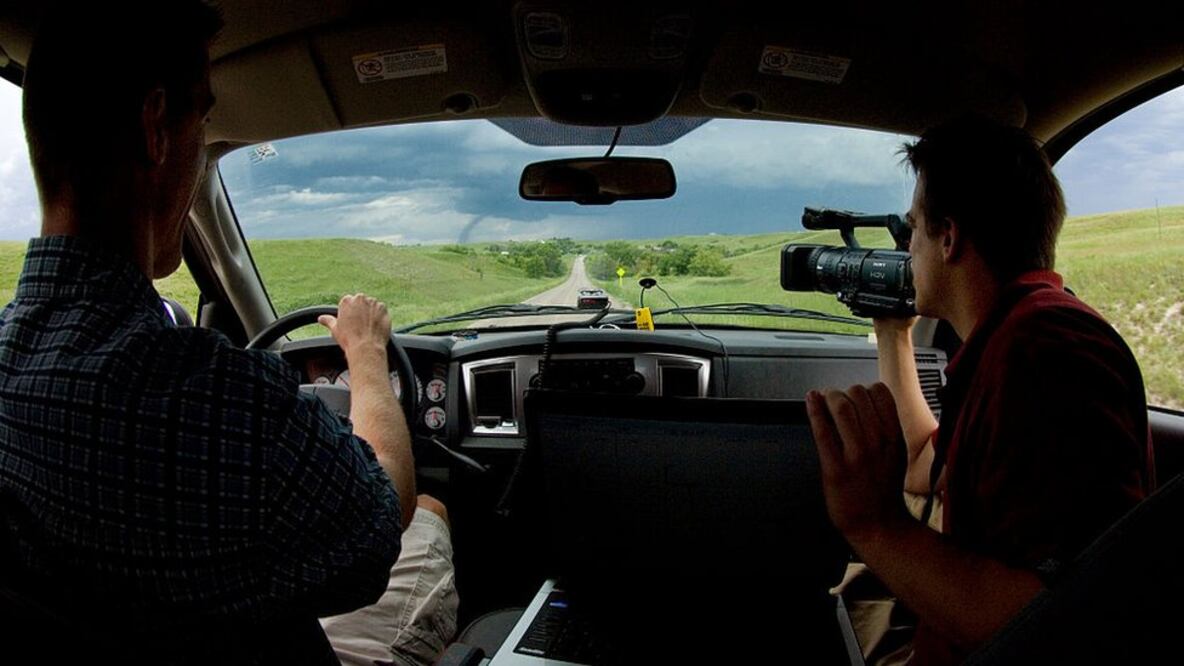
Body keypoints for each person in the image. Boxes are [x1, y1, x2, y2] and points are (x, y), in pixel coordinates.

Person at [0, 3, 456, 664]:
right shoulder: (212, 401)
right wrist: (365, 355)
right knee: (433, 511)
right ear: (156, 128)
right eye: (202, 119)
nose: (199, 144)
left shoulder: (9, 358)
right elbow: (382, 519)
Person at [806, 116, 1155, 666]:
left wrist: (875, 525)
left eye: (915, 227)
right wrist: (890, 331)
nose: (909, 247)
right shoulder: (1010, 339)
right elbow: (926, 462)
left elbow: (1067, 620)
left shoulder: (1045, 354)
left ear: (949, 236)